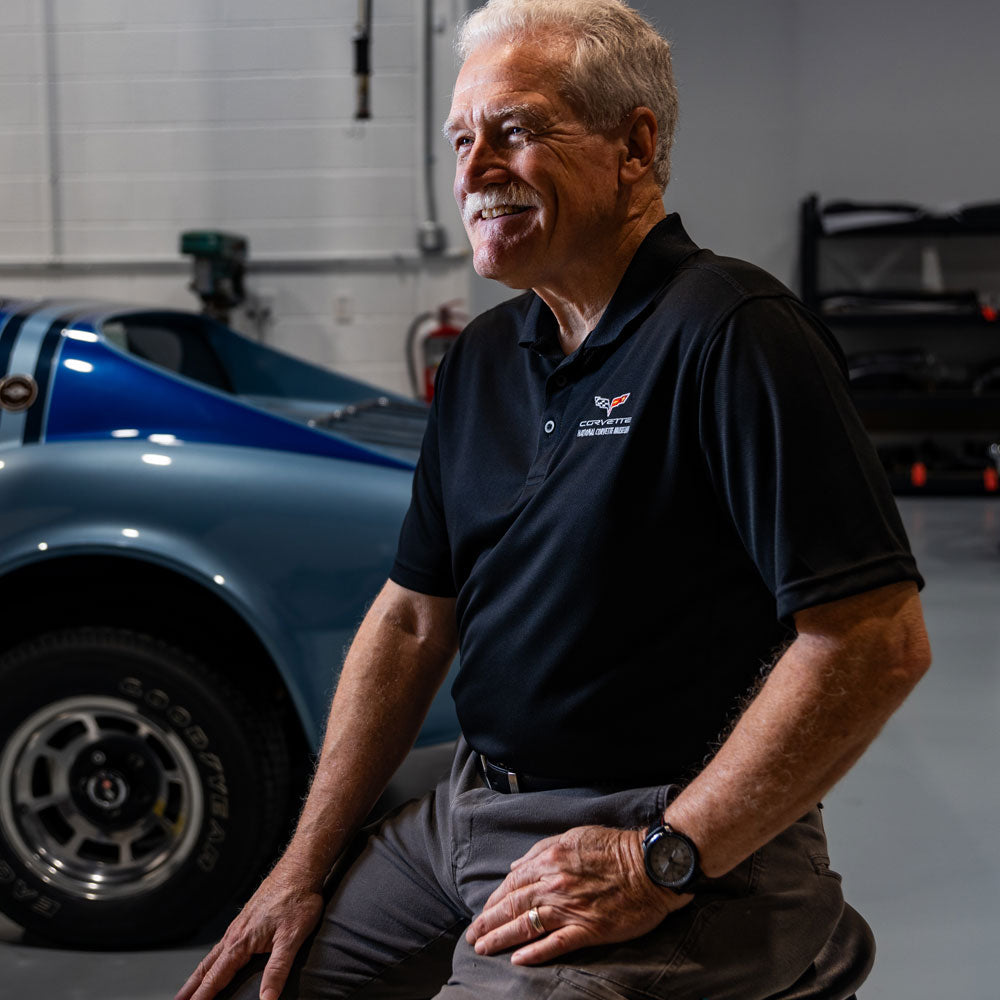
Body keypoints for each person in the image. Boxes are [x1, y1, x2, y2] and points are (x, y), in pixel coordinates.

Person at [177, 2, 931, 998]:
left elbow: (875, 638)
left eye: (515, 130)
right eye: (460, 139)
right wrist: (298, 864)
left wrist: (664, 856)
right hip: (469, 805)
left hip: (655, 821)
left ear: (635, 144)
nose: (473, 169)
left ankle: (775, 915)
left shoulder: (732, 332)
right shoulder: (488, 356)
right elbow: (410, 623)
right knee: (248, 983)